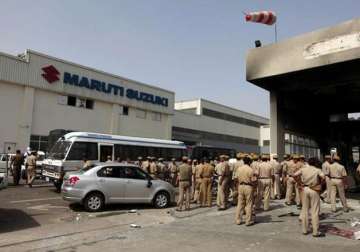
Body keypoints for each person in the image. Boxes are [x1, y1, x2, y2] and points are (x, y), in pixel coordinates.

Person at [294, 158, 325, 237]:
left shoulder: (303, 169)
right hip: (314, 189)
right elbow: (323, 177)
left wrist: (299, 183)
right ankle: (315, 231)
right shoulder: (317, 170)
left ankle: (304, 230)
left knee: (304, 210)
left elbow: (295, 175)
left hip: (305, 188)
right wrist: (320, 184)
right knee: (315, 211)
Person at [234, 155, 257, 226]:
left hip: (240, 186)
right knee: (249, 204)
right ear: (249, 162)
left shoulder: (239, 169)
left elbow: (235, 179)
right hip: (248, 187)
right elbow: (253, 181)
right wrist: (255, 188)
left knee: (240, 204)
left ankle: (238, 220)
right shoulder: (250, 170)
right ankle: (248, 221)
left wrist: (236, 187)